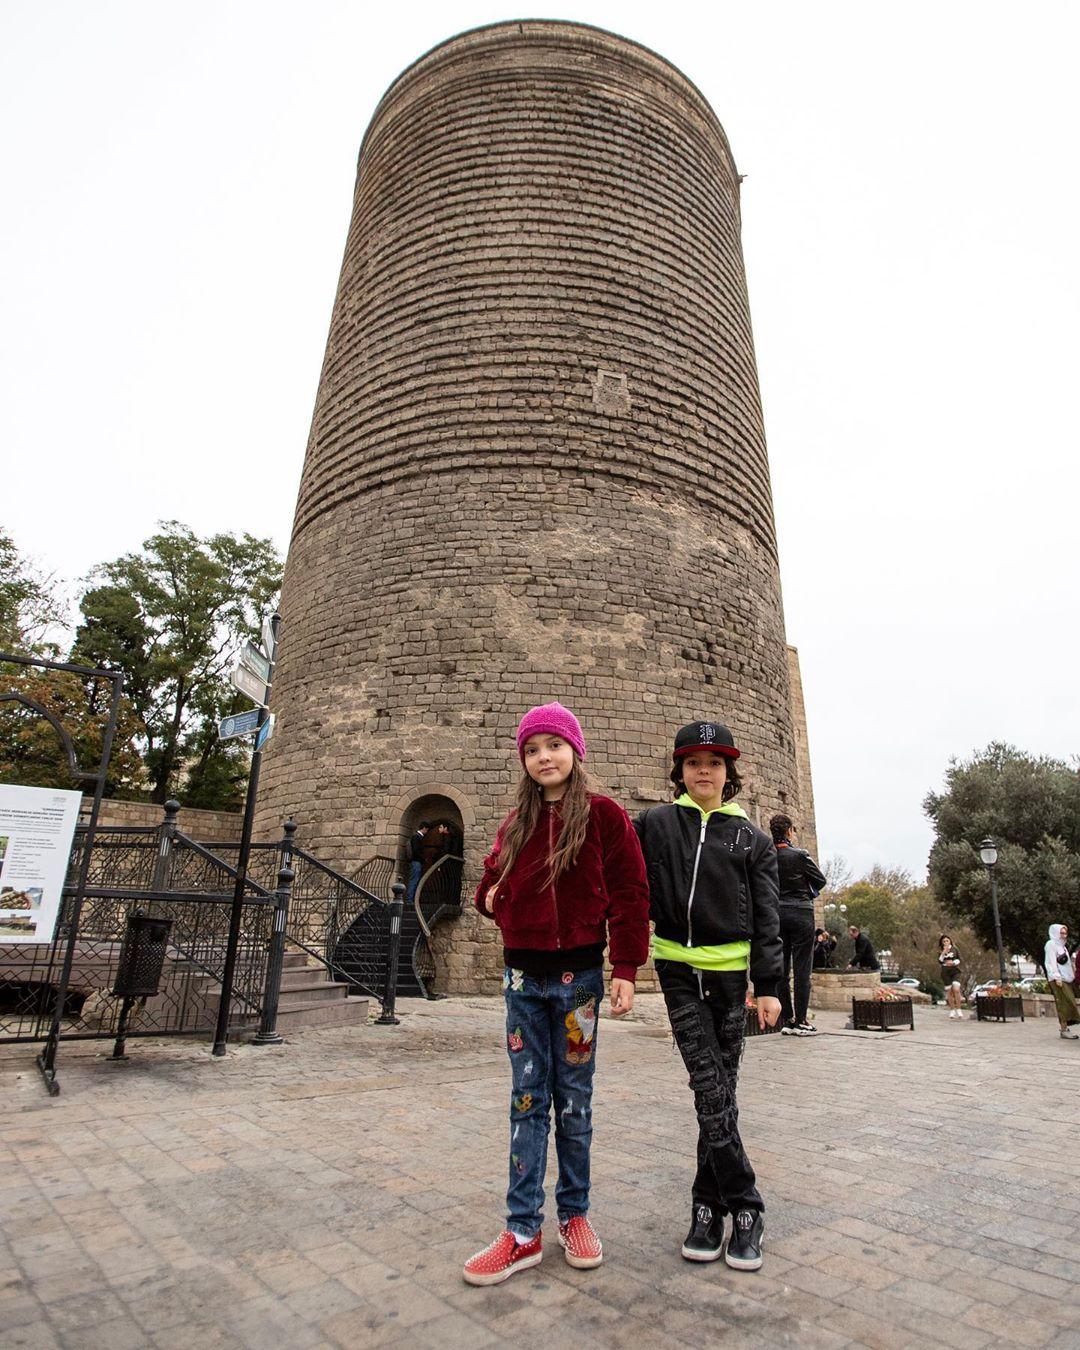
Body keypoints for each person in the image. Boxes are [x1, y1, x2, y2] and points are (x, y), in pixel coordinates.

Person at [462, 702, 650, 1286]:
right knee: (525, 1098)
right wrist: (489, 895)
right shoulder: (515, 822)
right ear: (524, 760)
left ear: (575, 751)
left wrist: (626, 966)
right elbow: (491, 878)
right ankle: (522, 1231)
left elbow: (630, 892)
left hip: (579, 984)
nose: (545, 757)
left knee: (573, 1100)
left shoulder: (603, 816)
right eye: (533, 749)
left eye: (554, 745)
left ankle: (575, 1216)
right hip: (522, 978)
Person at [634, 720, 781, 1272]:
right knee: (707, 1084)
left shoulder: (754, 840)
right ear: (679, 770)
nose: (703, 771)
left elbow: (767, 920)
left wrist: (768, 987)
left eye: (714, 763)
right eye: (693, 762)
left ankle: (706, 1206)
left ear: (728, 773)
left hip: (730, 977)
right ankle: (746, 1204)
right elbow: (604, 854)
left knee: (719, 1093)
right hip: (677, 970)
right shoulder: (653, 824)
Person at [770, 813, 826, 1037]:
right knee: (802, 969)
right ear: (789, 831)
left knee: (782, 969)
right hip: (801, 912)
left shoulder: (767, 855)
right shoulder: (800, 855)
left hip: (777, 913)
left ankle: (787, 1019)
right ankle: (802, 1020)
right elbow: (820, 880)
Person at [1045, 923, 1079, 1040]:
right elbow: (1050, 962)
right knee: (1064, 1003)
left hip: (1066, 979)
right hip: (1058, 980)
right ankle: (1064, 1029)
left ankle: (1065, 1028)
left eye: (1065, 933)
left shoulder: (1063, 947)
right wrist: (1056, 977)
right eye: (1062, 933)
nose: (1064, 936)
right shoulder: (1051, 945)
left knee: (1069, 1003)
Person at [404, 821, 430, 904]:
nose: (427, 832)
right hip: (416, 862)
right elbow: (416, 851)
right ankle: (409, 900)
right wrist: (423, 859)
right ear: (424, 828)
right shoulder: (416, 837)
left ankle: (411, 899)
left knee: (415, 880)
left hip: (417, 861)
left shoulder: (417, 837)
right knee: (414, 880)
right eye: (427, 830)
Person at [938, 934, 963, 1018]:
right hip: (945, 972)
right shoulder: (940, 950)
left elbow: (960, 959)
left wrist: (953, 962)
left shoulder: (955, 949)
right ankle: (952, 1010)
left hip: (955, 971)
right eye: (944, 941)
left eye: (947, 941)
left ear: (950, 941)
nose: (946, 942)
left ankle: (959, 1009)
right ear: (942, 943)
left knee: (956, 989)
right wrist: (943, 953)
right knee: (949, 991)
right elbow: (940, 961)